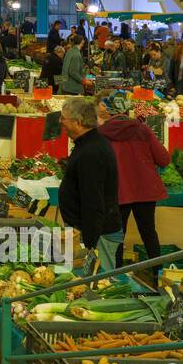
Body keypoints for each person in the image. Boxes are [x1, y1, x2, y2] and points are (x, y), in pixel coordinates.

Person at [95, 91, 170, 267]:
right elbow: (164, 159)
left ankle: (116, 275)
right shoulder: (142, 129)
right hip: (145, 190)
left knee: (117, 234)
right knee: (149, 232)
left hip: (117, 192)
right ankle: (156, 274)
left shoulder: (100, 134)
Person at [58, 97, 123, 271]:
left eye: (63, 118)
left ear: (78, 123)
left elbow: (93, 201)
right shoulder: (88, 144)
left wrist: (89, 243)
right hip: (92, 231)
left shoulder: (91, 152)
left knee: (100, 285)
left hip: (99, 236)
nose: (60, 122)